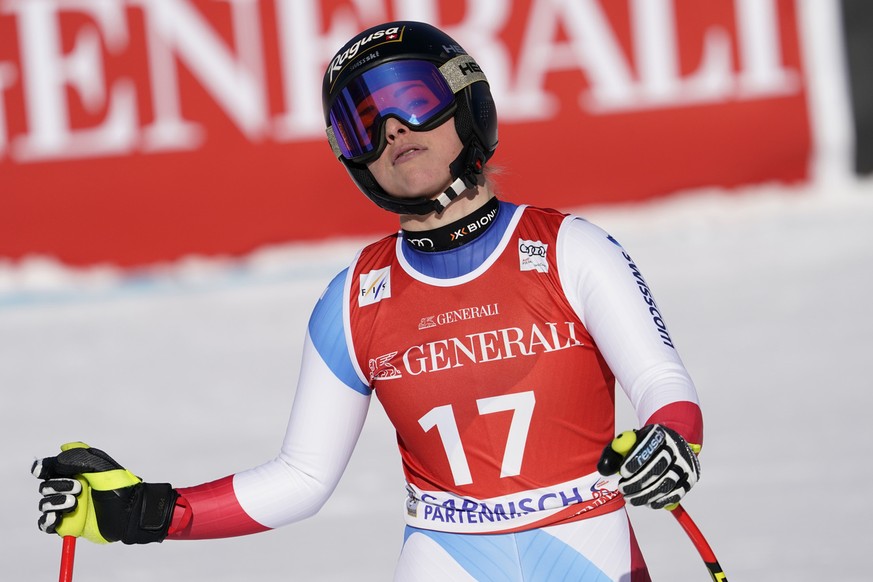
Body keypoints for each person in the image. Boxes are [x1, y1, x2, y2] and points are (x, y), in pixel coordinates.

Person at [33, 21, 704, 581]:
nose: (391, 129)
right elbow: (301, 476)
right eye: (362, 120)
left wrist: (671, 438)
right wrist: (146, 512)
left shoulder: (568, 247)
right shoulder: (354, 298)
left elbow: (659, 381)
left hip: (588, 550)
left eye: (410, 99)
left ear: (466, 104)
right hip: (445, 558)